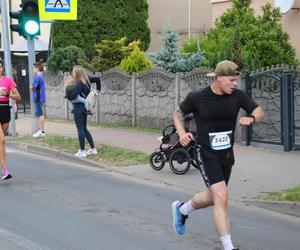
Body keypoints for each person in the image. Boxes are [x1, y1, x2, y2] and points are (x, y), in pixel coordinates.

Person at [171, 60, 265, 250]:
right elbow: (178, 114)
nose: (235, 83)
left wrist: (252, 118)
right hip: (205, 152)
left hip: (226, 155)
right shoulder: (198, 97)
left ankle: (182, 209)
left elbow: (259, 111)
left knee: (214, 197)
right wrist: (181, 134)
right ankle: (228, 247)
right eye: (231, 80)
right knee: (221, 197)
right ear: (219, 78)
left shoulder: (237, 96)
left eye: (236, 80)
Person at [71, 65, 101, 158]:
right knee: (84, 128)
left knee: (80, 129)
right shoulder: (87, 81)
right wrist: (98, 89)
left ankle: (82, 151)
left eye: (73, 72)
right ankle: (93, 149)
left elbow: (73, 95)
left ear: (77, 73)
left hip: (78, 108)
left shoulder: (79, 83)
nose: (72, 73)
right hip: (85, 108)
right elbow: (97, 79)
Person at [0, 59, 21, 180]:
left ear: (2, 68)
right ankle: (5, 170)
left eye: (0, 66)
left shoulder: (8, 80)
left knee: (1, 142)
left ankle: (4, 169)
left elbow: (18, 96)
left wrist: (7, 94)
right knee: (1, 140)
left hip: (4, 111)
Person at [31, 62, 46, 138]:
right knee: (40, 114)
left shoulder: (38, 77)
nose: (33, 70)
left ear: (37, 68)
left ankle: (41, 131)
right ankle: (40, 130)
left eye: (33, 68)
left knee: (40, 114)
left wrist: (31, 87)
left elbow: (33, 87)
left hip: (38, 97)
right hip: (40, 97)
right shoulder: (41, 76)